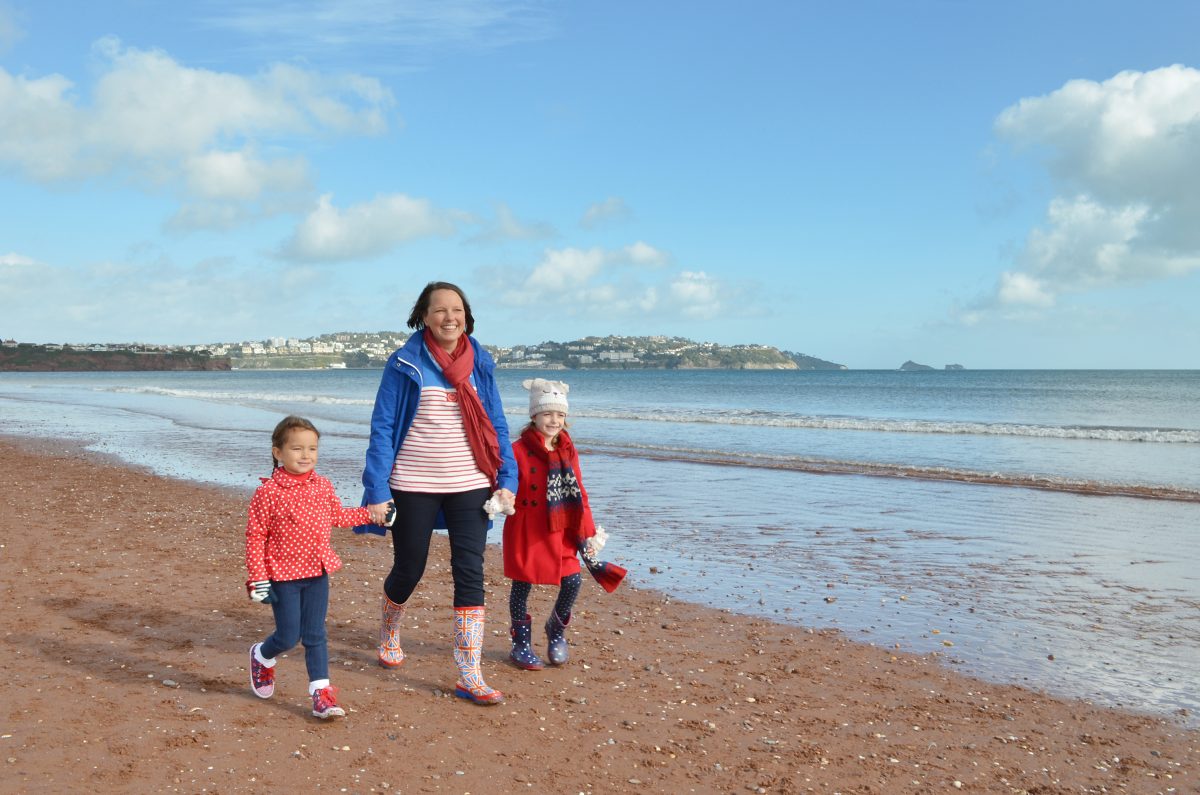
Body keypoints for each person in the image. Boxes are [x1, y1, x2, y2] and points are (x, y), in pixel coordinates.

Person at [358, 281, 517, 705]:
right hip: (413, 485)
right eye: (440, 310)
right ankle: (390, 629)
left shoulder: (479, 362)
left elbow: (497, 425)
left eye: (457, 310)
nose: (450, 317)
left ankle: (470, 672)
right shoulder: (404, 363)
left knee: (471, 571)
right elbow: (383, 428)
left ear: (467, 316)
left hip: (471, 484)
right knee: (410, 567)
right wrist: (375, 490)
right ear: (423, 316)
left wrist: (508, 479)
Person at [245, 415, 379, 719]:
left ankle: (322, 695)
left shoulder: (322, 486)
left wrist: (372, 514)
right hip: (282, 576)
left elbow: (339, 517)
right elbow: (255, 536)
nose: (306, 455)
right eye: (297, 449)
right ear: (278, 452)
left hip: (317, 572)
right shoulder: (268, 493)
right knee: (288, 636)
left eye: (312, 449)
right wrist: (257, 578)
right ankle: (262, 656)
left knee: (316, 634)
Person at [503, 378, 601, 669]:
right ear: (534, 415)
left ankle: (555, 630)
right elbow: (505, 482)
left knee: (572, 580)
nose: (554, 420)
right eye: (547, 413)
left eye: (560, 415)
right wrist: (500, 500)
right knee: (521, 586)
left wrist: (589, 532)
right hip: (527, 528)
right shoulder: (517, 449)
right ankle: (520, 644)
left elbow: (579, 491)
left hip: (562, 527)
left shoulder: (568, 450)